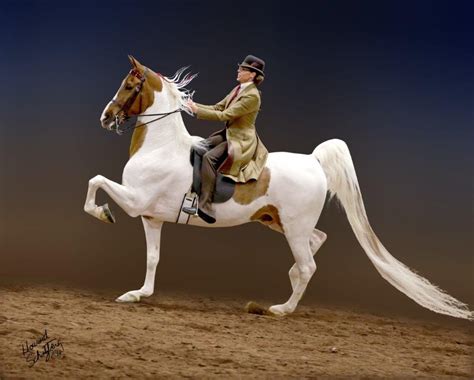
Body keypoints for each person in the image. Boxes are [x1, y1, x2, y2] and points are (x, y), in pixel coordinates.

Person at [183, 55, 269, 224]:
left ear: (251, 75)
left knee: (209, 158)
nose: (238, 70)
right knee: (197, 147)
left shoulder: (252, 96)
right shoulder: (238, 89)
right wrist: (194, 105)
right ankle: (193, 193)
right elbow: (217, 107)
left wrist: (196, 111)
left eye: (242, 69)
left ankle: (205, 204)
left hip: (240, 139)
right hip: (229, 133)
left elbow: (225, 115)